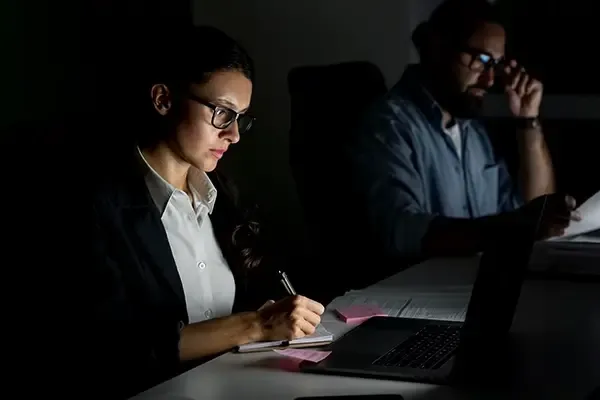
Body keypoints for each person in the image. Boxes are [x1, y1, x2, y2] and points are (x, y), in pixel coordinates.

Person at [89, 26, 324, 398]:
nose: (234, 135)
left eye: (240, 118)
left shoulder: (221, 200)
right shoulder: (96, 208)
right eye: (221, 113)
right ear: (164, 99)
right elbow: (113, 350)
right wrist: (257, 325)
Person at [346, 0, 580, 261]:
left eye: (496, 64)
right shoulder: (389, 125)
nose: (490, 80)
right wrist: (512, 226)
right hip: (424, 290)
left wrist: (528, 120)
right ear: (437, 49)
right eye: (480, 61)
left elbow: (533, 210)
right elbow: (400, 230)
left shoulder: (473, 132)